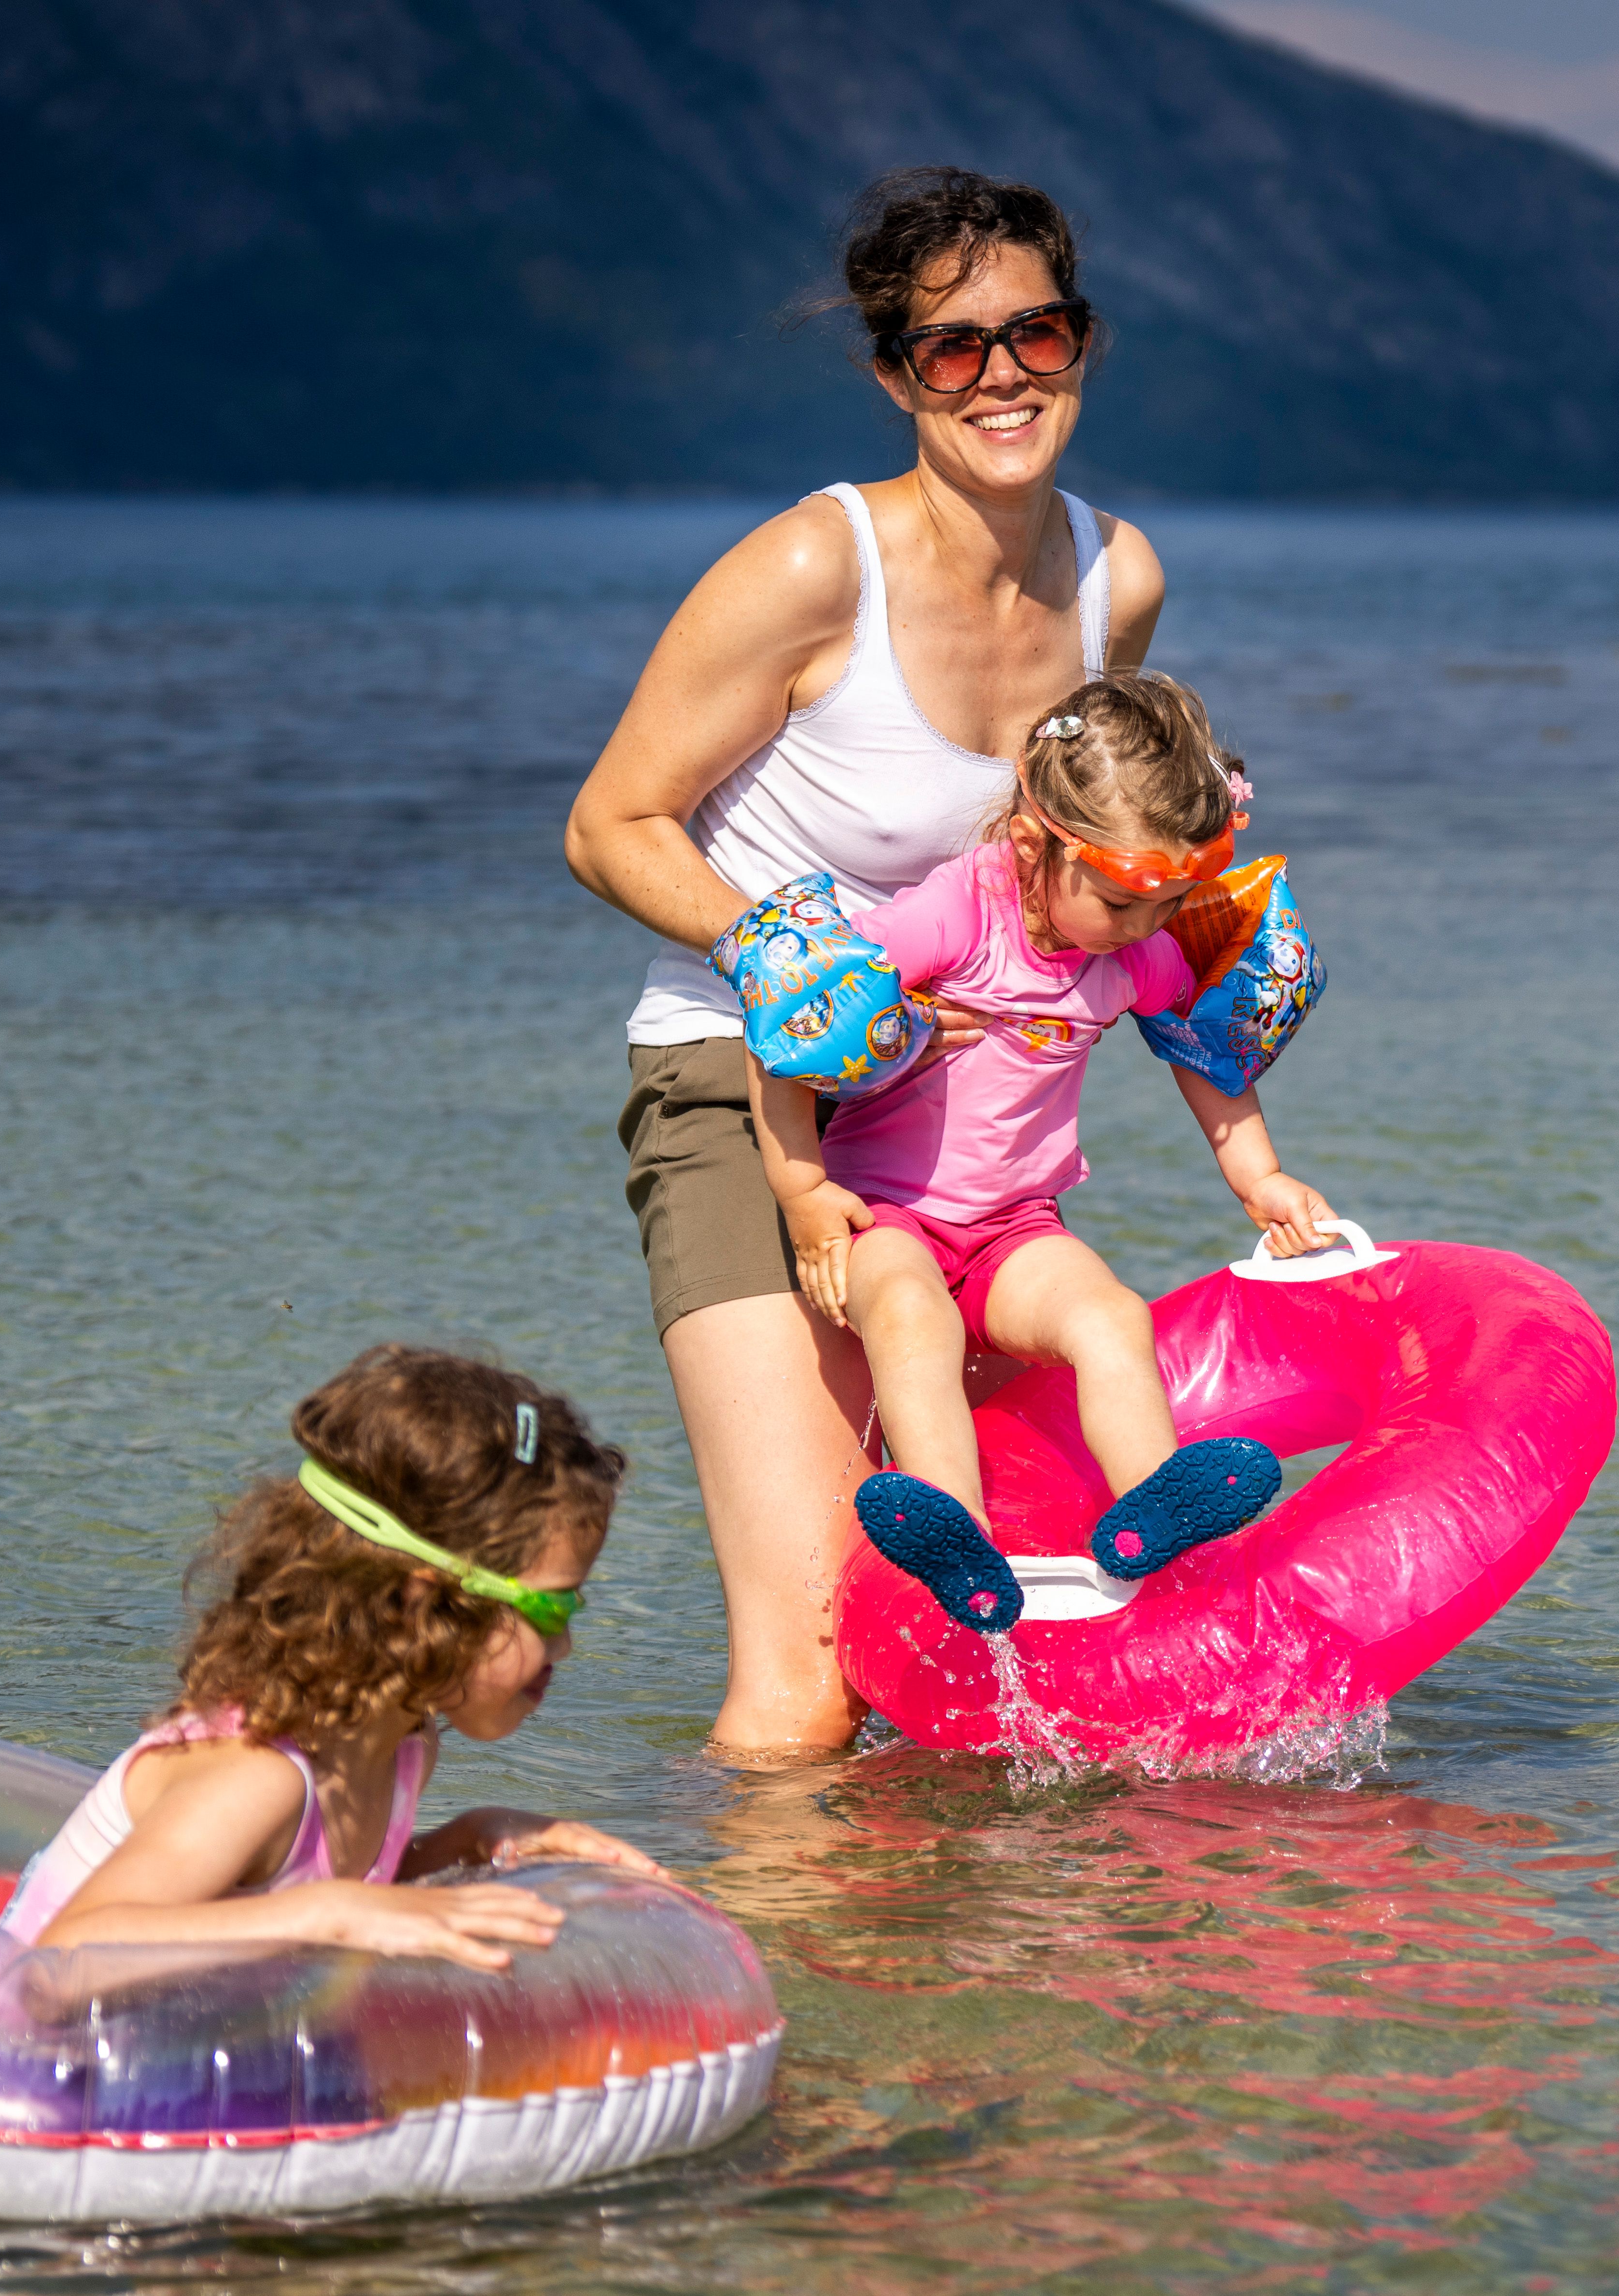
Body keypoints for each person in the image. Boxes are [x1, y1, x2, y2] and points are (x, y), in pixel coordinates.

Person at [565, 166, 1172, 1750]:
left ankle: (923, 1935)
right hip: (742, 1088)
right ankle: (721, 1917)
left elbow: (1073, 845)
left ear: (1083, 340)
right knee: (813, 1669)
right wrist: (776, 944)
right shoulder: (810, 569)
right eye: (950, 348)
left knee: (953, 1648)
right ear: (896, 375)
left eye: (1035, 333)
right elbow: (611, 822)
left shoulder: (1118, 579)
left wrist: (1207, 931)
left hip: (963, 1139)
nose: (1000, 377)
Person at [749, 673, 1335, 1632]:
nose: (1145, 927)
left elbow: (1204, 1056)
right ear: (1033, 843)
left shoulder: (1132, 950)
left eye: (1169, 903)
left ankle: (1151, 1510)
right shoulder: (955, 915)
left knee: (1111, 1317)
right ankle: (957, 1533)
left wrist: (1258, 1177)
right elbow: (795, 1018)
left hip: (1017, 1229)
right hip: (888, 1213)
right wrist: (801, 1189)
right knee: (912, 1316)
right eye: (1122, 901)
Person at [0, 1345, 667, 1969]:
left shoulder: (405, 1744)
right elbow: (66, 1951)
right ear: (419, 1601)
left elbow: (326, 1888)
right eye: (552, 1609)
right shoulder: (254, 1779)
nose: (566, 1643)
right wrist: (331, 1914)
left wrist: (468, 1838)